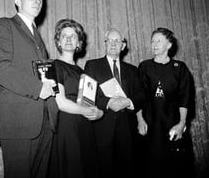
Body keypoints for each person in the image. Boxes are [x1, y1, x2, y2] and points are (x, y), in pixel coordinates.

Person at [0, 0, 58, 178]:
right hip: (19, 123)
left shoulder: (37, 38)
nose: (38, 0)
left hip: (45, 123)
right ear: (17, 1)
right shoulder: (5, 25)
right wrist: (37, 88)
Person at [84, 28, 145, 178]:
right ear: (105, 44)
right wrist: (108, 102)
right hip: (102, 128)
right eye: (109, 40)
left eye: (117, 41)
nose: (113, 43)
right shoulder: (92, 65)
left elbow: (141, 95)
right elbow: (87, 96)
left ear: (123, 46)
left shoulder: (132, 69)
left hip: (128, 131)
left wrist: (128, 101)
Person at [137, 27, 195, 178]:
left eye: (159, 41)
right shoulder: (144, 67)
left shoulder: (180, 68)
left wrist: (182, 123)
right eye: (153, 41)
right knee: (151, 165)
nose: (154, 44)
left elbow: (185, 97)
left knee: (175, 166)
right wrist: (140, 120)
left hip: (173, 123)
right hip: (150, 123)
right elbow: (138, 96)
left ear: (169, 45)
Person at [49, 18, 103, 178]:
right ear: (58, 41)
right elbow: (61, 102)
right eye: (64, 35)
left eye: (72, 36)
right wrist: (87, 111)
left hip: (84, 128)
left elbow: (93, 104)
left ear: (79, 42)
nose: (68, 39)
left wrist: (99, 113)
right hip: (66, 128)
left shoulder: (83, 72)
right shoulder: (55, 66)